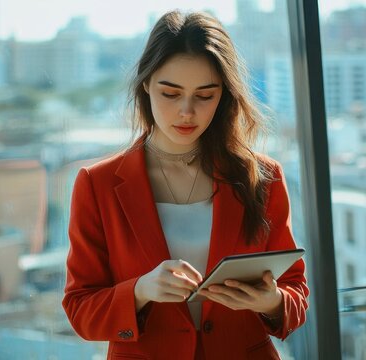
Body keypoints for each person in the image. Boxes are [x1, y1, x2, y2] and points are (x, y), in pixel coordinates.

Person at [62, 10, 309, 360]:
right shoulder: (96, 185)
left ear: (223, 95)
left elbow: (296, 293)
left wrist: (272, 301)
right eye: (170, 93)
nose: (186, 112)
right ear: (146, 84)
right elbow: (80, 309)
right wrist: (140, 290)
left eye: (205, 95)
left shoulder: (263, 177)